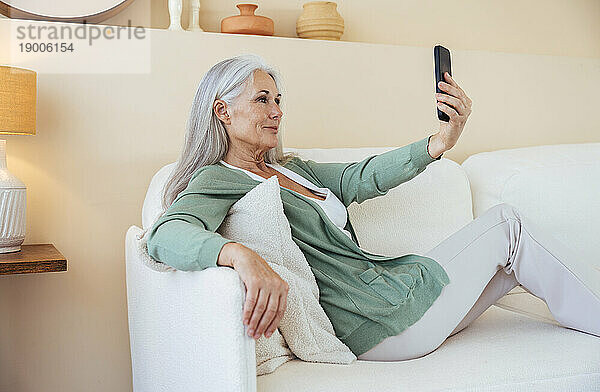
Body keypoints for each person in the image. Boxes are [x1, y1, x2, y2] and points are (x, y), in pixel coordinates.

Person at [146, 54, 600, 361]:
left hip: (390, 297)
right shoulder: (218, 179)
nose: (276, 111)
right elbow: (166, 234)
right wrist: (241, 255)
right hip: (373, 320)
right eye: (261, 100)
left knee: (508, 267)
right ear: (222, 112)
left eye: (278, 100)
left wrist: (438, 143)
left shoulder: (290, 170)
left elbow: (361, 177)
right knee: (508, 226)